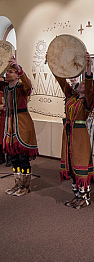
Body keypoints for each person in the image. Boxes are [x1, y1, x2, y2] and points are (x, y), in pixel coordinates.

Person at [53, 53, 94, 209]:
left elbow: (89, 89)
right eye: (81, 83)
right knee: (70, 164)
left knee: (80, 163)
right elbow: (61, 81)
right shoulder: (71, 97)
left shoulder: (87, 102)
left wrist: (88, 68)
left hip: (80, 135)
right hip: (69, 134)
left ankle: (85, 197)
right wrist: (54, 64)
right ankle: (76, 196)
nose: (82, 84)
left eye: (85, 84)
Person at [3, 57, 38, 196]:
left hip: (23, 124)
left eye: (10, 72)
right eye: (7, 72)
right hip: (10, 125)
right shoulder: (6, 89)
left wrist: (18, 67)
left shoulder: (22, 87)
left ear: (17, 74)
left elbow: (29, 84)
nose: (7, 74)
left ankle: (25, 186)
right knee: (13, 157)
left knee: (23, 158)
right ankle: (17, 184)